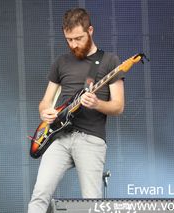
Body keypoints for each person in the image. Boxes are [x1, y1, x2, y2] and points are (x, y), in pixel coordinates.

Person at [28, 8, 125, 213]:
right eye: (69, 40)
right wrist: (45, 112)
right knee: (39, 195)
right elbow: (45, 102)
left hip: (91, 138)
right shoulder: (61, 62)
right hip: (59, 137)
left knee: (92, 204)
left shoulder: (109, 61)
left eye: (78, 38)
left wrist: (97, 104)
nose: (73, 44)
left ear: (90, 30)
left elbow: (118, 106)